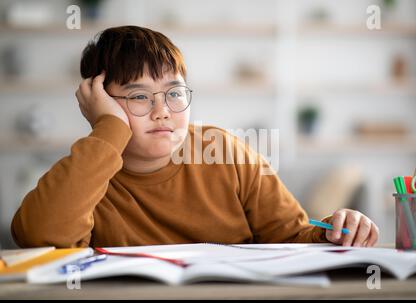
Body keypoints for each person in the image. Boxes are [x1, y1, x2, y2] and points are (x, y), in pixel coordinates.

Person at [11, 26, 379, 248]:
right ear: (99, 104)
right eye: (139, 96)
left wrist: (335, 231)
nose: (163, 111)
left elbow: (293, 236)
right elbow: (39, 237)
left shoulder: (226, 153)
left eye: (174, 93)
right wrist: (109, 131)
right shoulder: (88, 171)